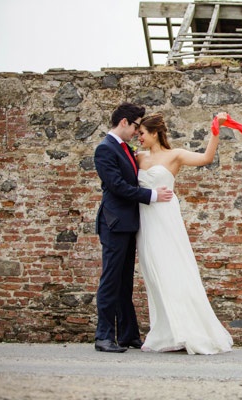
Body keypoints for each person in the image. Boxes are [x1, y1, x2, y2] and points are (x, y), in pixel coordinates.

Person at [135, 112, 233, 354]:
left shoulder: (175, 155)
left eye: (142, 134)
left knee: (173, 271)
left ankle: (187, 331)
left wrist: (215, 130)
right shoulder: (138, 157)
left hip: (166, 218)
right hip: (146, 221)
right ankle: (165, 332)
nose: (139, 138)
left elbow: (206, 158)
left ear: (154, 133)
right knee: (153, 274)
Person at [93, 103, 174, 353]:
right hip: (114, 224)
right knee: (111, 280)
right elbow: (117, 186)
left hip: (129, 224)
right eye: (136, 126)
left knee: (124, 282)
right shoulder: (105, 149)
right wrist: (152, 195)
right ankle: (104, 336)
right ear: (124, 122)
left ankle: (128, 335)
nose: (138, 132)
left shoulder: (126, 149)